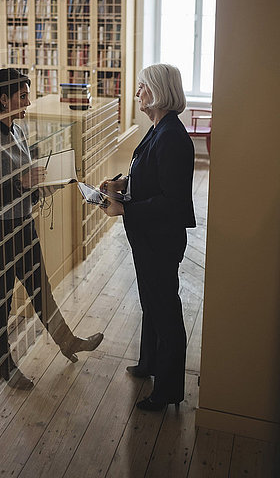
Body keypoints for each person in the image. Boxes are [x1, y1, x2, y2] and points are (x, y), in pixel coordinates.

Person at [0, 68, 103, 389]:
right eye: (23, 96)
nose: (28, 101)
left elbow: (25, 177)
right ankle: (4, 365)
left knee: (40, 290)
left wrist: (47, 178)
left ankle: (67, 343)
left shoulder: (18, 130)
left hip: (23, 226)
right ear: (4, 98)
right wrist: (20, 183)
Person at [100, 63, 196, 411]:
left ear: (157, 91)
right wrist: (121, 186)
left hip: (160, 238)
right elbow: (150, 174)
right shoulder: (159, 129)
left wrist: (124, 208)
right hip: (148, 236)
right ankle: (149, 363)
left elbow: (172, 202)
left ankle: (167, 390)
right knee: (151, 302)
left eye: (142, 86)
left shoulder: (172, 136)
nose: (137, 92)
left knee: (165, 309)